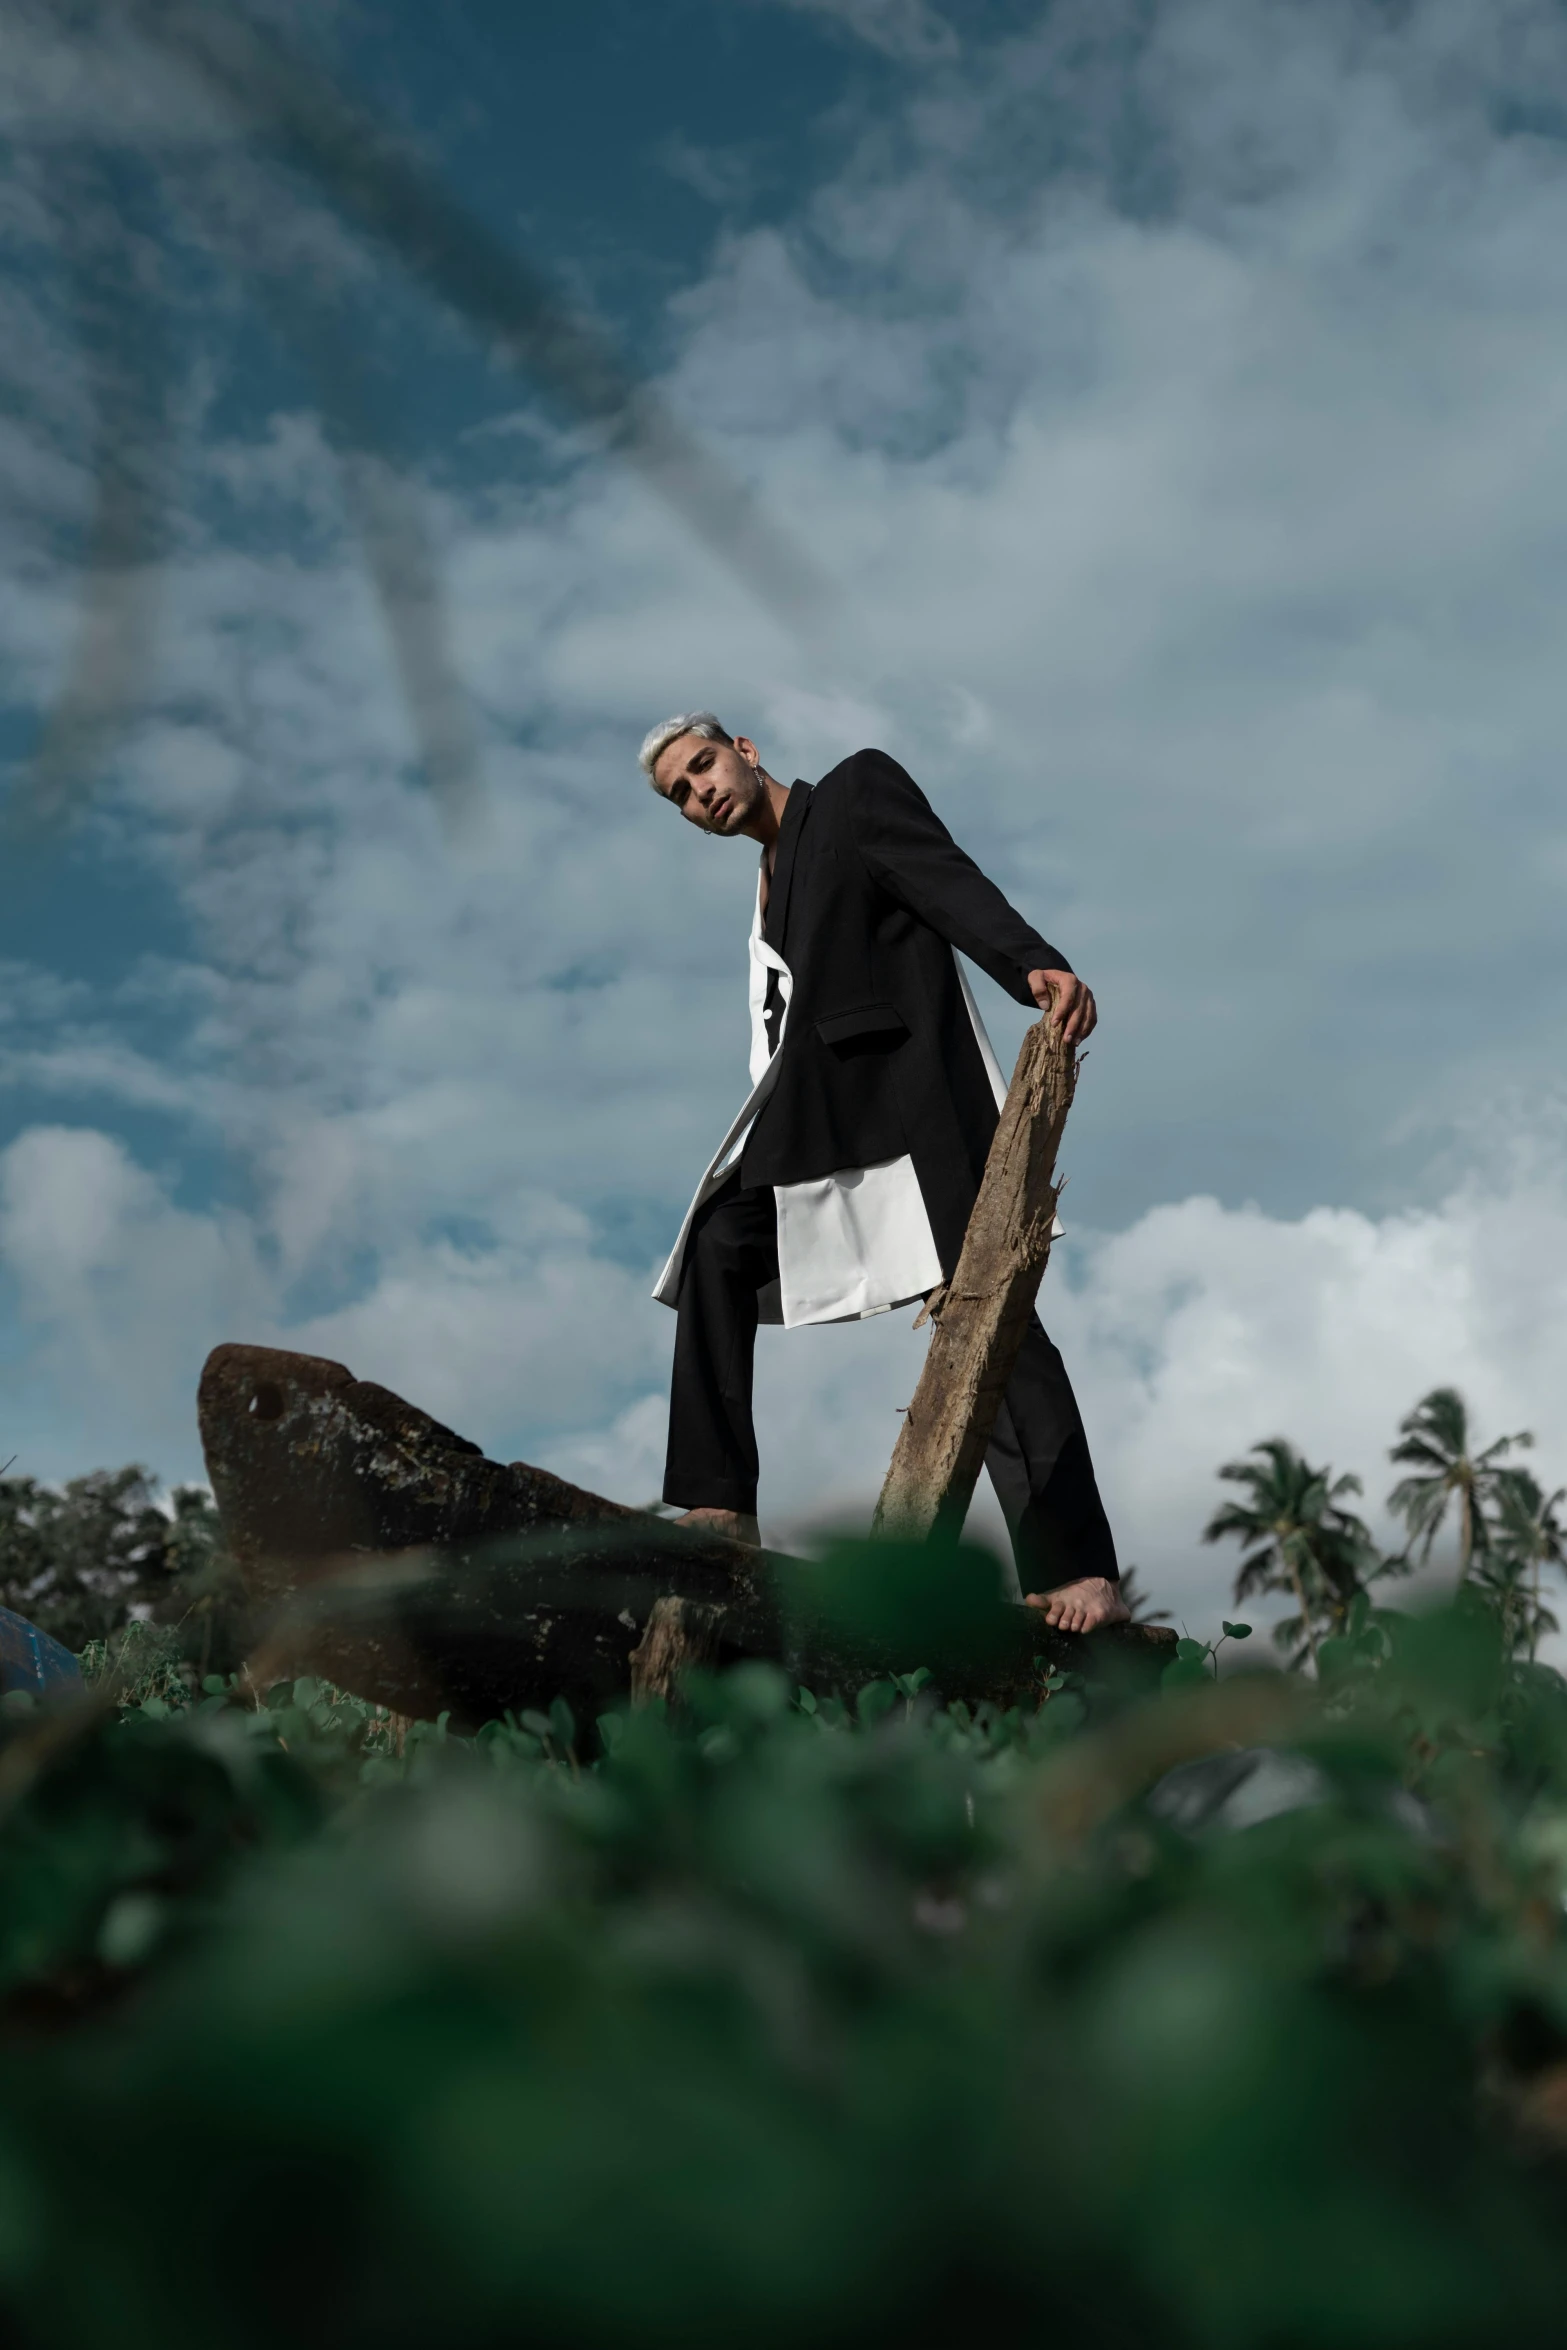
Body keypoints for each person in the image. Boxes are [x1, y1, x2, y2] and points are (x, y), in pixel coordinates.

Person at [643, 713, 1126, 1635]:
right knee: (714, 1244)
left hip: (912, 1103)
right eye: (679, 794)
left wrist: (1029, 961)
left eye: (701, 766)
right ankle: (717, 1502)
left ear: (742, 751)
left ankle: (1079, 1572)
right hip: (811, 1120)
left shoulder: (856, 791)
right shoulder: (760, 888)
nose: (698, 792)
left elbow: (941, 876)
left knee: (996, 1321)